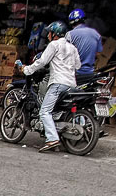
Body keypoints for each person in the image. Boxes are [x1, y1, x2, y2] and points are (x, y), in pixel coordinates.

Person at [19, 20, 80, 153]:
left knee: (44, 111)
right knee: (55, 110)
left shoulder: (53, 45)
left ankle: (52, 139)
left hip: (58, 82)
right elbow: (78, 66)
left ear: (55, 34)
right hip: (71, 84)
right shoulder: (72, 47)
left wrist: (27, 70)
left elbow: (42, 61)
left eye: (49, 33)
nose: (47, 36)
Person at [66, 8, 103, 78]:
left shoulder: (70, 35)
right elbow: (98, 54)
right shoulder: (96, 33)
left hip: (74, 74)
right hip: (90, 73)